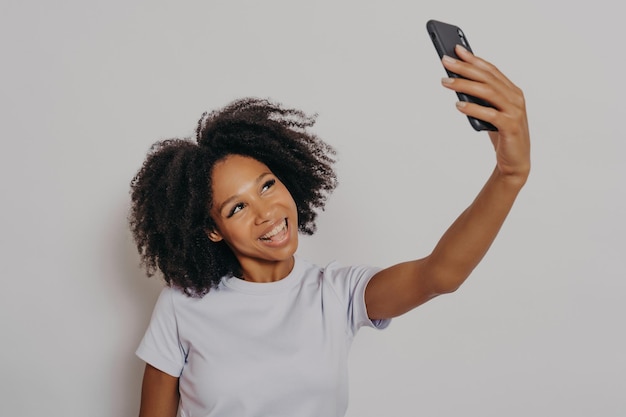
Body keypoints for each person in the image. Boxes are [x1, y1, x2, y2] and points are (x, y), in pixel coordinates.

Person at [129, 45, 530, 417]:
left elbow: (439, 275)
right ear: (212, 230)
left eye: (267, 185)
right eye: (237, 208)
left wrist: (510, 174)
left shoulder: (334, 293)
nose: (266, 212)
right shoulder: (182, 306)